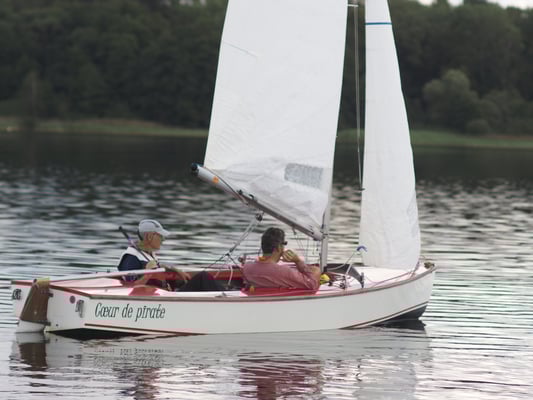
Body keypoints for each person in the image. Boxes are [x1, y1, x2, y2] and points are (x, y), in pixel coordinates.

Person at [117, 219, 223, 291]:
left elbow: (157, 266)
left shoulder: (149, 253)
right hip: (156, 301)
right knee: (202, 277)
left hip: (166, 293)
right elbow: (129, 288)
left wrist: (175, 270)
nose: (163, 240)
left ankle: (226, 294)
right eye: (160, 236)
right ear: (149, 236)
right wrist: (148, 274)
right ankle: (225, 297)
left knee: (200, 278)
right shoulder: (131, 258)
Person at [242, 227, 321, 290]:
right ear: (279, 247)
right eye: (284, 244)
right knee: (316, 270)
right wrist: (298, 261)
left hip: (260, 299)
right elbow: (312, 284)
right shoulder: (284, 272)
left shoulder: (247, 267)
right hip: (279, 302)